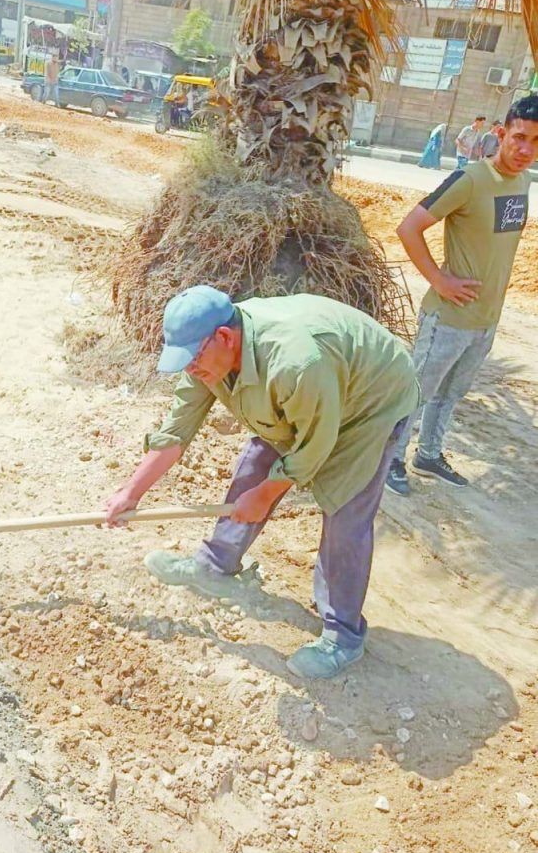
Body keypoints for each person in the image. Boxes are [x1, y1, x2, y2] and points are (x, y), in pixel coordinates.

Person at [105, 286, 420, 680]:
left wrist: (269, 493)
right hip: (319, 391)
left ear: (224, 337)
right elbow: (176, 430)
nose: (191, 370)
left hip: (371, 402)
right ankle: (215, 563)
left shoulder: (294, 362)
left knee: (344, 507)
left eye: (193, 360)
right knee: (256, 462)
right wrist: (130, 493)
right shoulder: (208, 359)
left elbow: (315, 445)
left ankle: (343, 635)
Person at [386, 94, 538, 496]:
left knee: (451, 393)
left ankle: (429, 454)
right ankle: (390, 460)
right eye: (519, 137)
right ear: (502, 134)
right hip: (449, 318)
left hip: (485, 320)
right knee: (418, 391)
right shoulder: (470, 179)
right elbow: (409, 227)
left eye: (536, 142)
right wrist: (439, 280)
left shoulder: (523, 181)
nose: (526, 150)